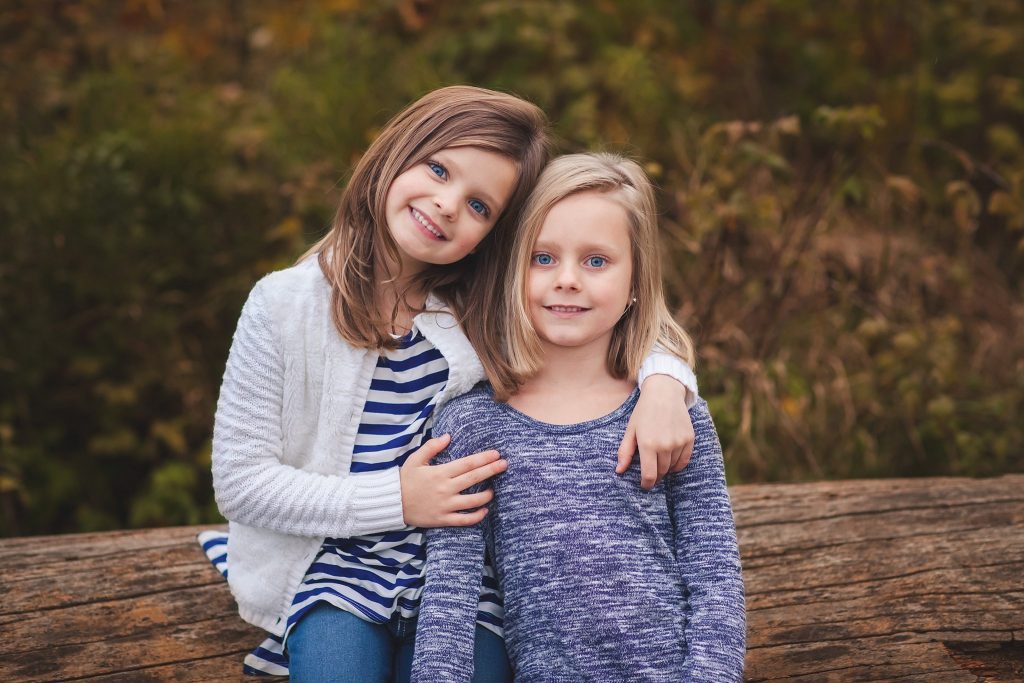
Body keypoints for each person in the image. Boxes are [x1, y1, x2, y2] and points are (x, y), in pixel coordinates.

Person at [204, 88, 700, 681]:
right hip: (335, 566)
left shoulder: (481, 305)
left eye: (480, 206)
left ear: (495, 234)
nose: (445, 205)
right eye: (438, 169)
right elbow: (240, 483)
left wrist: (667, 383)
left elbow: (611, 319)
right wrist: (400, 500)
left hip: (463, 570)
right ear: (396, 151)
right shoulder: (283, 306)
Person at [411, 153, 746, 682]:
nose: (567, 280)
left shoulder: (673, 415)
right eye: (543, 259)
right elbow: (451, 596)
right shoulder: (473, 425)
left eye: (596, 261)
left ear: (637, 281)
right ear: (513, 271)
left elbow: (714, 575)